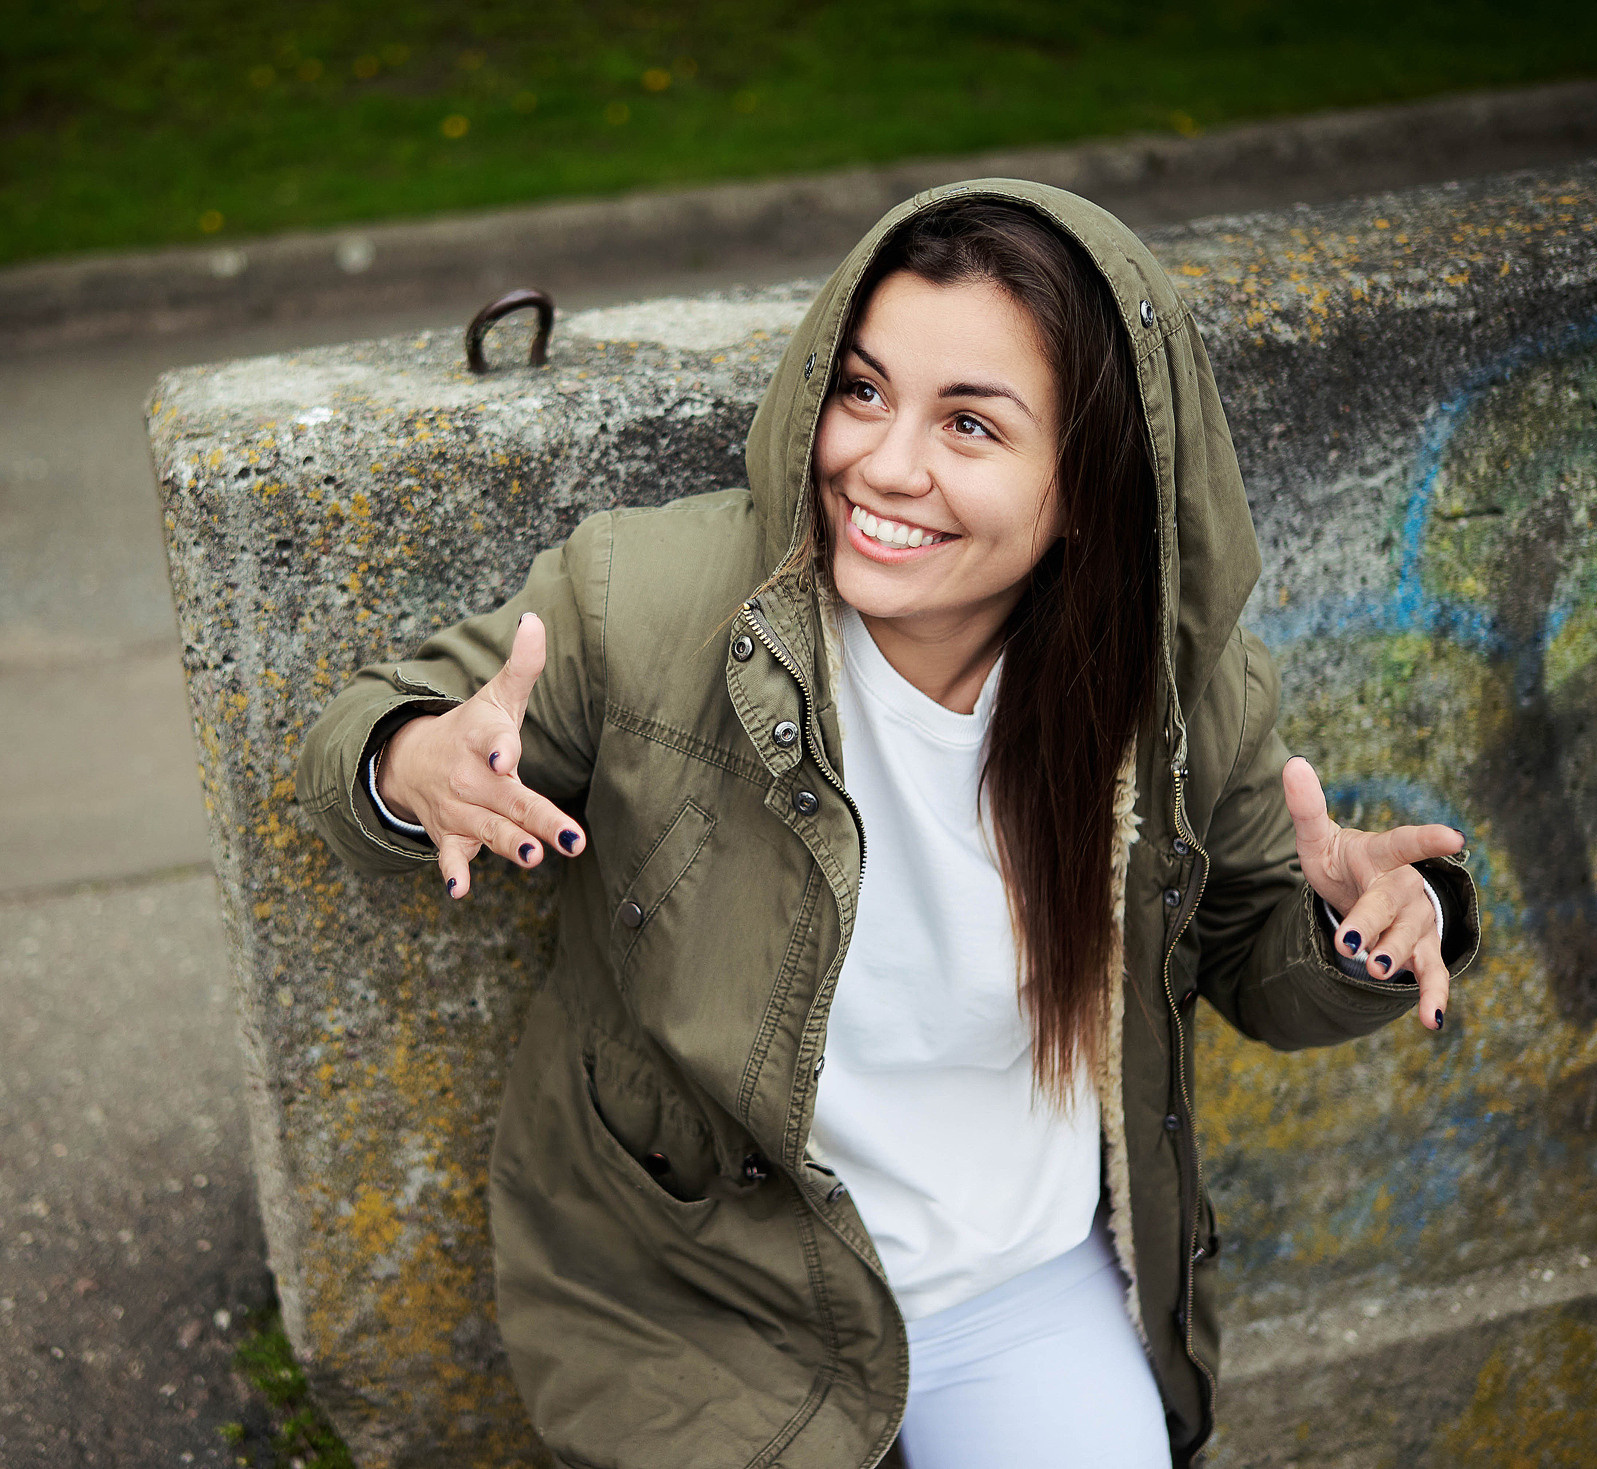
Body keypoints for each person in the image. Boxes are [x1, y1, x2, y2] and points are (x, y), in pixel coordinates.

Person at [295, 181, 1479, 1469]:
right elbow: (368, 725)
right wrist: (416, 764)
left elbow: (1256, 958)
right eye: (863, 391)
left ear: (1088, 481)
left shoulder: (1177, 691)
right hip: (707, 1292)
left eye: (970, 424)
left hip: (1009, 1277)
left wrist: (1358, 933)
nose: (884, 464)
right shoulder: (644, 599)